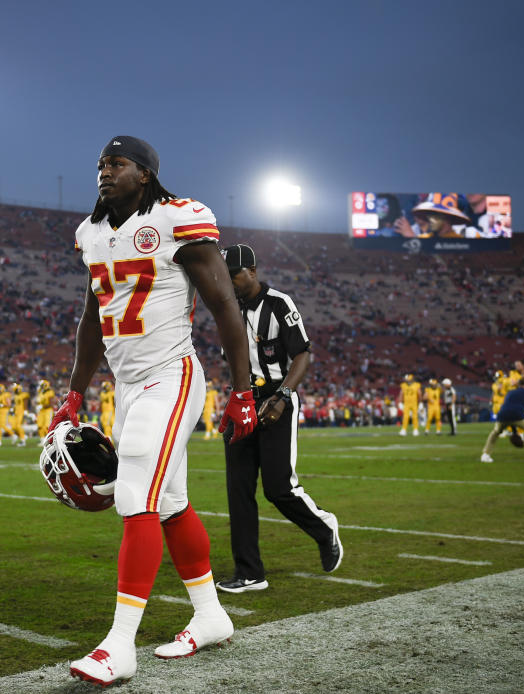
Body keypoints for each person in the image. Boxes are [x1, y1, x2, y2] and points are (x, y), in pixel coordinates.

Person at [49, 135, 257, 687]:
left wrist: (243, 389)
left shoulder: (177, 218)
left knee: (135, 495)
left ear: (144, 173)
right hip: (129, 385)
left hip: (172, 375)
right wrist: (74, 393)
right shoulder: (91, 234)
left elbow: (222, 304)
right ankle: (211, 615)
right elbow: (93, 319)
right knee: (169, 503)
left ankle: (120, 646)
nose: (103, 171)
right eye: (99, 163)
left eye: (116, 163)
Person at [216, 243, 342, 594]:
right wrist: (235, 401)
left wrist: (283, 396)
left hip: (277, 395)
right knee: (237, 489)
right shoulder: (227, 309)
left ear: (252, 271)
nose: (229, 283)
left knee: (278, 487)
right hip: (241, 398)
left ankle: (324, 526)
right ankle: (250, 572)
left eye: (233, 276)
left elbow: (302, 354)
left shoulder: (279, 304)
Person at [480, 377, 524, 464]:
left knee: (495, 432)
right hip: (517, 416)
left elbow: (508, 409)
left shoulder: (510, 392)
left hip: (502, 415)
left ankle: (485, 454)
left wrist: (514, 432)